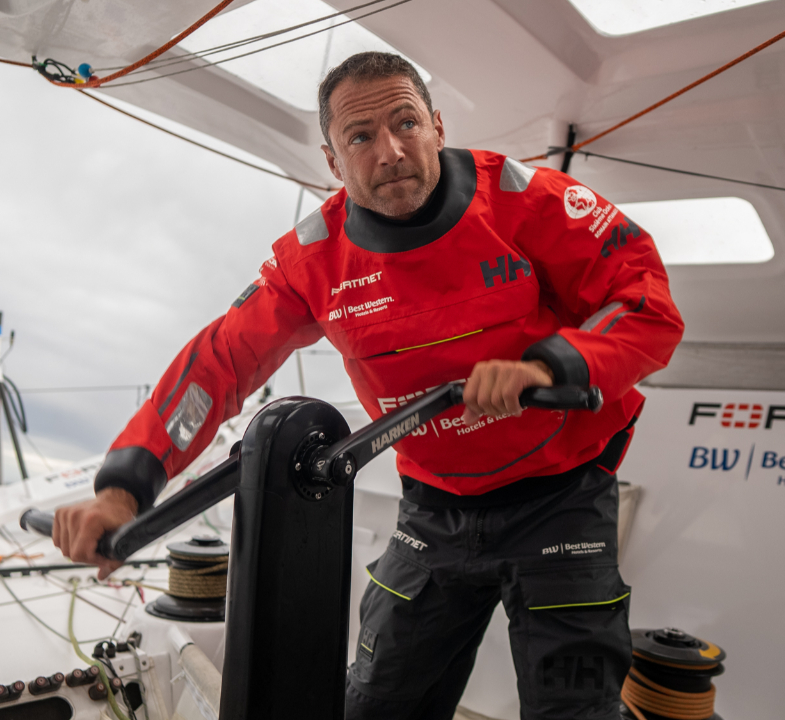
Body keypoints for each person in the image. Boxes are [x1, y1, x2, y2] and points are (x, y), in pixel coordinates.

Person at [53, 51, 683, 720]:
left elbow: (644, 303)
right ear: (333, 160)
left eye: (405, 123)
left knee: (575, 711)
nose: (389, 151)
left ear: (437, 127)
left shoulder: (528, 203)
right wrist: (124, 490)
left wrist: (549, 366)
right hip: (433, 511)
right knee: (376, 705)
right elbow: (219, 364)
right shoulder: (314, 259)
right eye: (360, 136)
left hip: (562, 498)